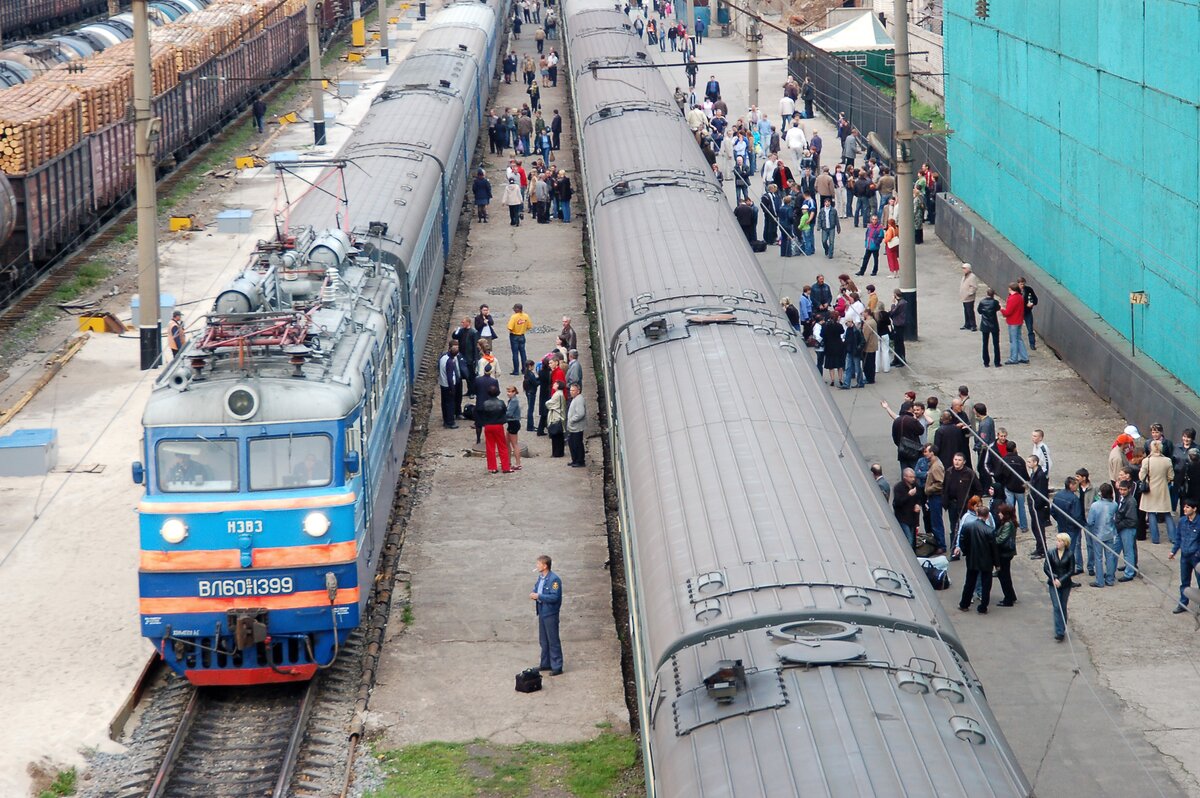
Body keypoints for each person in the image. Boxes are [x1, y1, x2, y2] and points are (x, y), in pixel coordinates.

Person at [956, 503, 997, 613]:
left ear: (977, 513)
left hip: (972, 558)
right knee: (986, 584)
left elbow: (962, 541)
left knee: (969, 582)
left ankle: (964, 603)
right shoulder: (990, 531)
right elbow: (994, 549)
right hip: (986, 560)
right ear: (987, 516)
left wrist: (966, 552)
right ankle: (983, 607)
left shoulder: (967, 526)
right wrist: (997, 563)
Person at [531, 555, 563, 674]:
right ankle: (545, 663)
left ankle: (557, 666)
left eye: (539, 564)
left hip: (550, 613)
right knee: (543, 640)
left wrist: (539, 596)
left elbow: (555, 596)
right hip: (542, 611)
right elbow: (537, 588)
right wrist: (534, 593)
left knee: (553, 640)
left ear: (545, 566)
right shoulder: (541, 578)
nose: (537, 566)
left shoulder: (554, 580)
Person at [1140, 439, 1176, 546]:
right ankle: (1173, 537)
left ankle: (1155, 538)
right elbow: (1171, 476)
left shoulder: (1147, 461)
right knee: (1167, 513)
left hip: (1150, 489)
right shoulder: (1167, 461)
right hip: (1163, 489)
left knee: (1151, 512)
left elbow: (1141, 476)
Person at [1085, 482, 1118, 586]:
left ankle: (1099, 581)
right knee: (1110, 557)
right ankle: (1110, 579)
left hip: (1098, 534)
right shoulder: (1114, 504)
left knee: (1098, 558)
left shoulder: (1095, 506)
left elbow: (1090, 522)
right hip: (1110, 533)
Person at [1045, 532, 1076, 641]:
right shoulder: (1051, 552)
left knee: (1063, 606)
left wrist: (1061, 580)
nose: (1057, 543)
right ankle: (1059, 631)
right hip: (1053, 583)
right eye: (1057, 540)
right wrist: (1054, 578)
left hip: (1065, 584)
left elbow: (1071, 570)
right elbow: (1046, 568)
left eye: (1060, 541)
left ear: (1065, 543)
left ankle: (1062, 628)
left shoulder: (1070, 554)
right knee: (1057, 606)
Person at [1172, 499, 1200, 613]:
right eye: (1184, 506)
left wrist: (1198, 553)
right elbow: (1178, 537)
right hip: (1184, 556)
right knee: (1184, 581)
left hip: (1196, 558)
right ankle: (1183, 603)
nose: (1185, 509)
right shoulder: (1182, 521)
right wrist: (1173, 551)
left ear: (1194, 509)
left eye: (1188, 507)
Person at [478, 384, 511, 473]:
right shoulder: (501, 403)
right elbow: (505, 413)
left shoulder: (485, 403)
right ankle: (505, 467)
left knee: (490, 447)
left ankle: (492, 467)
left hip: (488, 426)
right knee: (502, 446)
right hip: (498, 426)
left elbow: (481, 414)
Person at [993, 503, 1019, 605]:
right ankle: (1011, 596)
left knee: (1003, 576)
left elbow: (1001, 539)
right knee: (1005, 575)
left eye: (1000, 512)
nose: (999, 514)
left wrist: (992, 540)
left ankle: (1008, 599)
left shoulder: (1007, 524)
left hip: (1005, 553)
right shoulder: (1008, 523)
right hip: (1007, 553)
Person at [1115, 480, 1140, 582]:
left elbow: (1132, 520)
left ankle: (1129, 573)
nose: (1122, 491)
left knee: (1128, 552)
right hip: (1122, 527)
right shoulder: (1122, 498)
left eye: (1124, 490)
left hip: (1127, 529)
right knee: (1117, 550)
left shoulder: (1131, 501)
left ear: (1129, 489)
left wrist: (1119, 525)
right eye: (1120, 489)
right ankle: (1117, 569)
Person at [1028, 454, 1051, 560]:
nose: (1028, 464)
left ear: (1035, 462)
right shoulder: (1034, 474)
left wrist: (1036, 505)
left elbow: (1041, 493)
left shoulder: (1040, 476)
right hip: (1034, 506)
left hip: (1038, 507)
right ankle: (1039, 548)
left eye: (1029, 462)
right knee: (1034, 527)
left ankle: (1042, 550)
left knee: (1039, 529)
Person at [1000, 282, 1030, 364]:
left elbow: (1007, 312)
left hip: (1013, 322)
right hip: (1019, 320)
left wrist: (1001, 309)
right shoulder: (1020, 297)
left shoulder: (1012, 299)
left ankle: (1013, 358)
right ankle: (1024, 357)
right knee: (1018, 339)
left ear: (1010, 289)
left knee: (1013, 340)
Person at [892, 468, 922, 547]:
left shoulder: (915, 485)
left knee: (912, 538)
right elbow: (897, 502)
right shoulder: (899, 488)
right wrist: (908, 495)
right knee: (909, 539)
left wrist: (918, 504)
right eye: (911, 477)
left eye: (914, 477)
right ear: (905, 477)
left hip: (912, 517)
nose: (913, 479)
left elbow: (919, 497)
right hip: (903, 518)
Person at [438, 342, 462, 429]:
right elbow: (450, 377)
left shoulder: (443, 357)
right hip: (448, 386)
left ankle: (445, 420)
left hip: (442, 384)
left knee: (444, 403)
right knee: (450, 404)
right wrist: (452, 388)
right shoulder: (450, 362)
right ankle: (450, 422)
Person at [976, 288, 1002, 368]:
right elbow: (998, 308)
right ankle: (997, 362)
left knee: (985, 344)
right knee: (996, 344)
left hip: (985, 325)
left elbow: (979, 311)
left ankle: (986, 362)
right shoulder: (995, 302)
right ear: (993, 294)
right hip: (994, 324)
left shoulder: (982, 302)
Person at [506, 303, 533, 375]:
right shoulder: (526, 316)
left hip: (514, 336)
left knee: (515, 354)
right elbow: (529, 326)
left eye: (515, 308)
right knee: (523, 353)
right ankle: (525, 369)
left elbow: (510, 327)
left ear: (517, 309)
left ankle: (516, 370)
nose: (514, 310)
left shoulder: (514, 317)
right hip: (522, 335)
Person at [565, 383, 586, 466]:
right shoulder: (575, 399)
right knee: (572, 443)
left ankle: (580, 461)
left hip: (577, 427)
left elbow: (581, 413)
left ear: (578, 391)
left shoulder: (579, 400)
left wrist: (572, 420)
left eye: (573, 390)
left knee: (577, 444)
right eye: (570, 390)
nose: (571, 392)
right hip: (574, 427)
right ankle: (575, 460)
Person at [546, 380, 567, 457]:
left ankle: (557, 453)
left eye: (555, 384)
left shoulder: (557, 394)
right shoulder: (560, 394)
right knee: (559, 436)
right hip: (560, 416)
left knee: (556, 436)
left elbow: (549, 403)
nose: (553, 385)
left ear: (558, 386)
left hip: (556, 416)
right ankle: (559, 452)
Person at [505, 385, 523, 470]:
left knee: (514, 444)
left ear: (514, 392)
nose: (508, 393)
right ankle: (508, 461)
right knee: (507, 442)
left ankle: (518, 463)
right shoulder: (512, 400)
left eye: (510, 392)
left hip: (513, 422)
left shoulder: (514, 401)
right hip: (512, 423)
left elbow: (509, 413)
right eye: (508, 391)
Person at [1018, 276, 1039, 350]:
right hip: (1019, 313)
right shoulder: (1015, 291)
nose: (1022, 286)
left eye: (1023, 284)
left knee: (1030, 328)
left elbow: (1035, 300)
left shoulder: (1029, 290)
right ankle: (1018, 344)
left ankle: (1032, 344)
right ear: (1018, 284)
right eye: (1021, 284)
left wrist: (1032, 303)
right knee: (1017, 329)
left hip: (1027, 312)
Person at [889, 289, 908, 367]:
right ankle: (896, 359)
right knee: (897, 343)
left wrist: (893, 304)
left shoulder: (900, 304)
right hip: (900, 324)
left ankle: (901, 360)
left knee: (899, 343)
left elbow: (893, 312)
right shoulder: (903, 302)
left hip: (899, 324)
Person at [959, 263, 978, 330]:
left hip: (969, 298)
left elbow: (974, 287)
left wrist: (969, 293)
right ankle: (967, 324)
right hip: (964, 297)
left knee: (970, 311)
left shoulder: (972, 277)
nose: (963, 270)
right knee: (966, 311)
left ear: (968, 269)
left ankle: (973, 325)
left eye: (964, 268)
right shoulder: (964, 276)